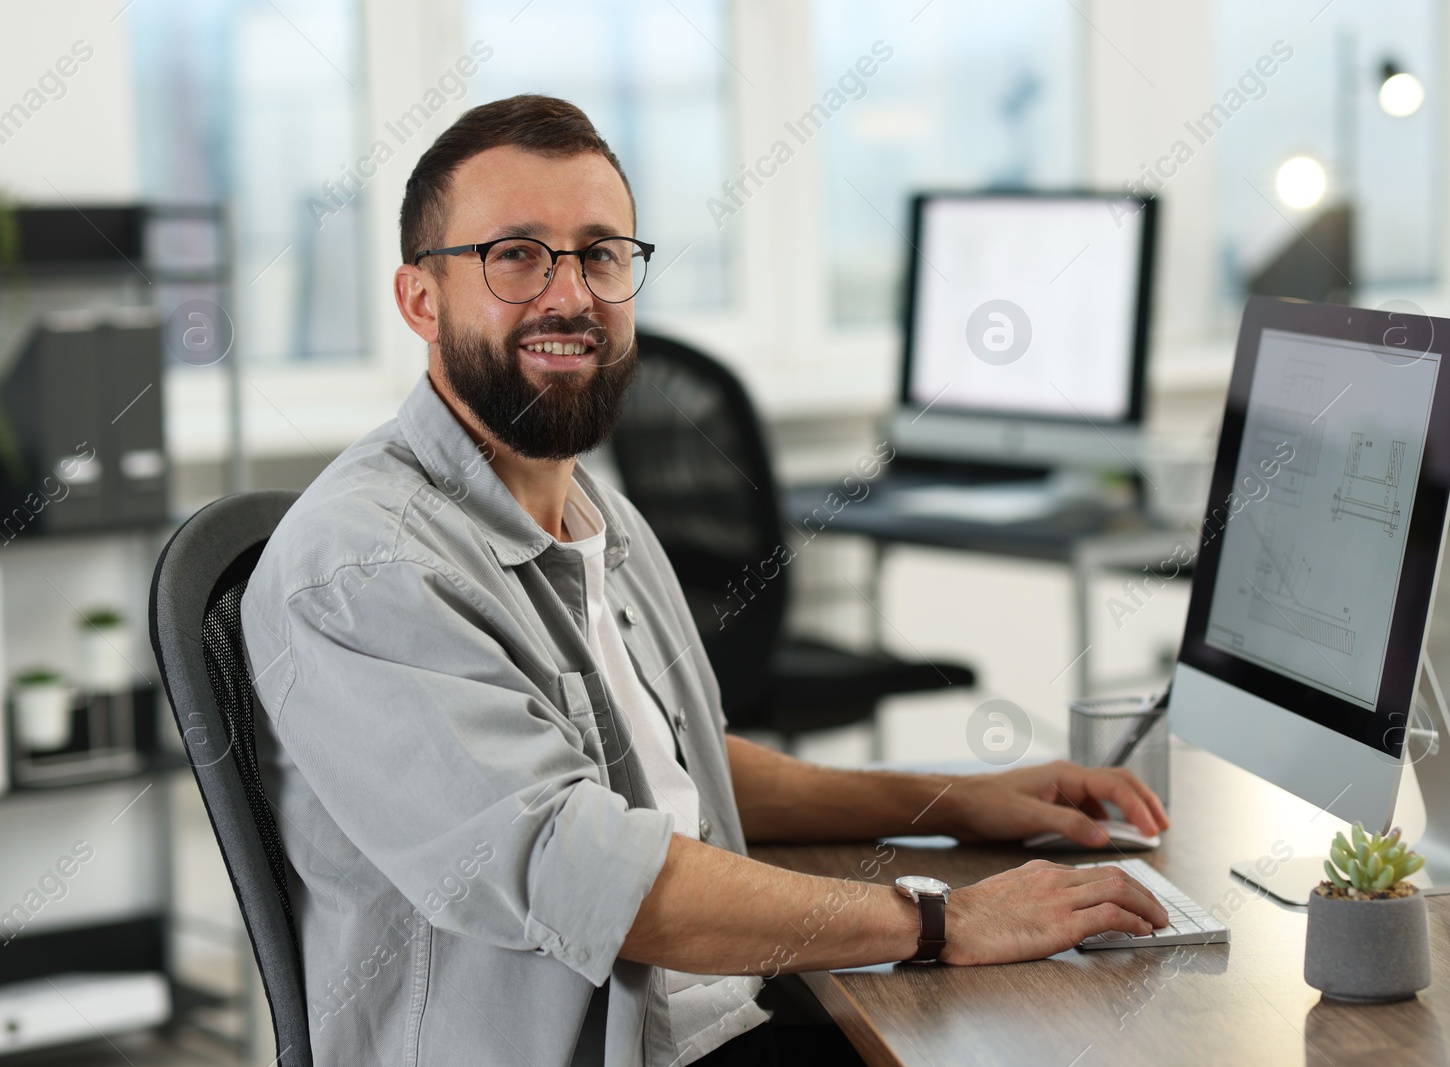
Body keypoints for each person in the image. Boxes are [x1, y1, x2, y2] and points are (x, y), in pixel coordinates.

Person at [240, 94, 1170, 1067]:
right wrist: (941, 919)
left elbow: (677, 772)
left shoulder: (598, 514)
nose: (569, 294)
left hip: (724, 1015)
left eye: (600, 253)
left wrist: (953, 800)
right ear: (419, 299)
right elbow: (584, 871)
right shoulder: (367, 566)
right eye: (515, 254)